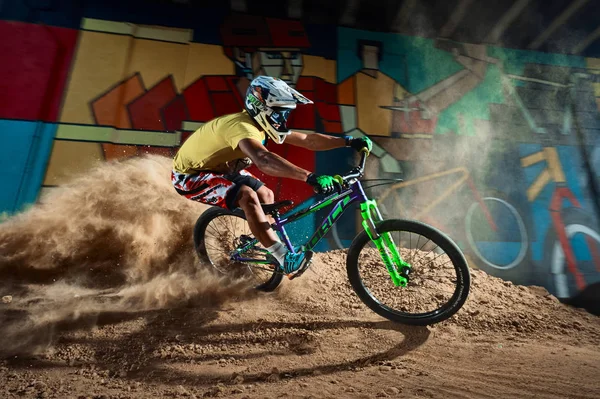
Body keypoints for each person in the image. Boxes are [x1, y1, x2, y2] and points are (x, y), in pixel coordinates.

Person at [171, 76, 372, 279]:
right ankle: (283, 257)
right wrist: (310, 177)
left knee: (266, 195)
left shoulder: (262, 125)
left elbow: (308, 140)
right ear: (262, 108)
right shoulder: (242, 128)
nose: (283, 118)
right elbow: (264, 160)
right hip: (191, 176)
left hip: (222, 169)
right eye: (280, 112)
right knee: (246, 195)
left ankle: (268, 246)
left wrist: (348, 142)